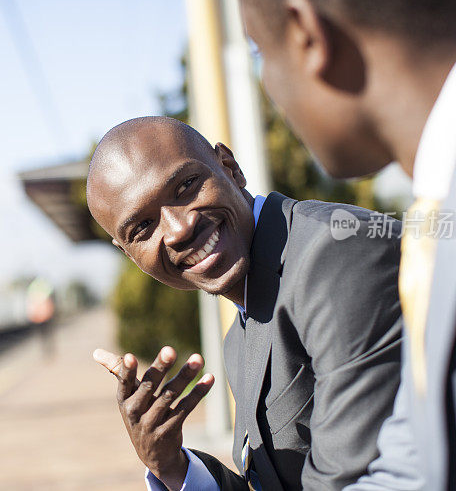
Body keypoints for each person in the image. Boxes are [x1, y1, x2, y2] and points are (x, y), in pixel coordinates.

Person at [236, 0, 456, 489]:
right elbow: (413, 465)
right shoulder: (445, 211)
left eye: (261, 52)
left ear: (308, 35)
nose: (267, 82)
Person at [87, 116, 403, 490]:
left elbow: (355, 478)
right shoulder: (240, 335)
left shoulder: (333, 255)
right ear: (129, 254)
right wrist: (172, 467)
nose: (178, 229)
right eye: (142, 228)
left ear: (230, 167)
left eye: (186, 186)